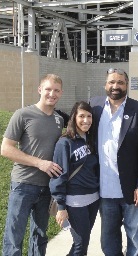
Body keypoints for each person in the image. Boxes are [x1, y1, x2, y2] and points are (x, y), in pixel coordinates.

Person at [89, 68, 138, 256]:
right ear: (105, 85)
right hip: (104, 189)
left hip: (132, 190)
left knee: (136, 238)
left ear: (126, 85)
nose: (115, 86)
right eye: (111, 82)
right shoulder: (94, 106)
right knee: (109, 239)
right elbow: (77, 124)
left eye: (120, 82)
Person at [1, 74, 64, 256]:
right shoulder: (23, 114)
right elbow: (6, 149)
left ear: (61, 93)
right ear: (40, 90)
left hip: (47, 187)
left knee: (40, 235)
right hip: (23, 185)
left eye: (56, 90)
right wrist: (39, 163)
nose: (52, 93)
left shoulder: (59, 120)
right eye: (48, 89)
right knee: (15, 235)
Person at [49, 101, 99, 256]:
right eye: (81, 116)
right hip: (74, 201)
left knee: (83, 241)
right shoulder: (65, 142)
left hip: (93, 199)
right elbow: (58, 176)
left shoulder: (91, 141)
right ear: (73, 118)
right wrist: (61, 207)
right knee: (80, 244)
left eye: (89, 116)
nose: (86, 120)